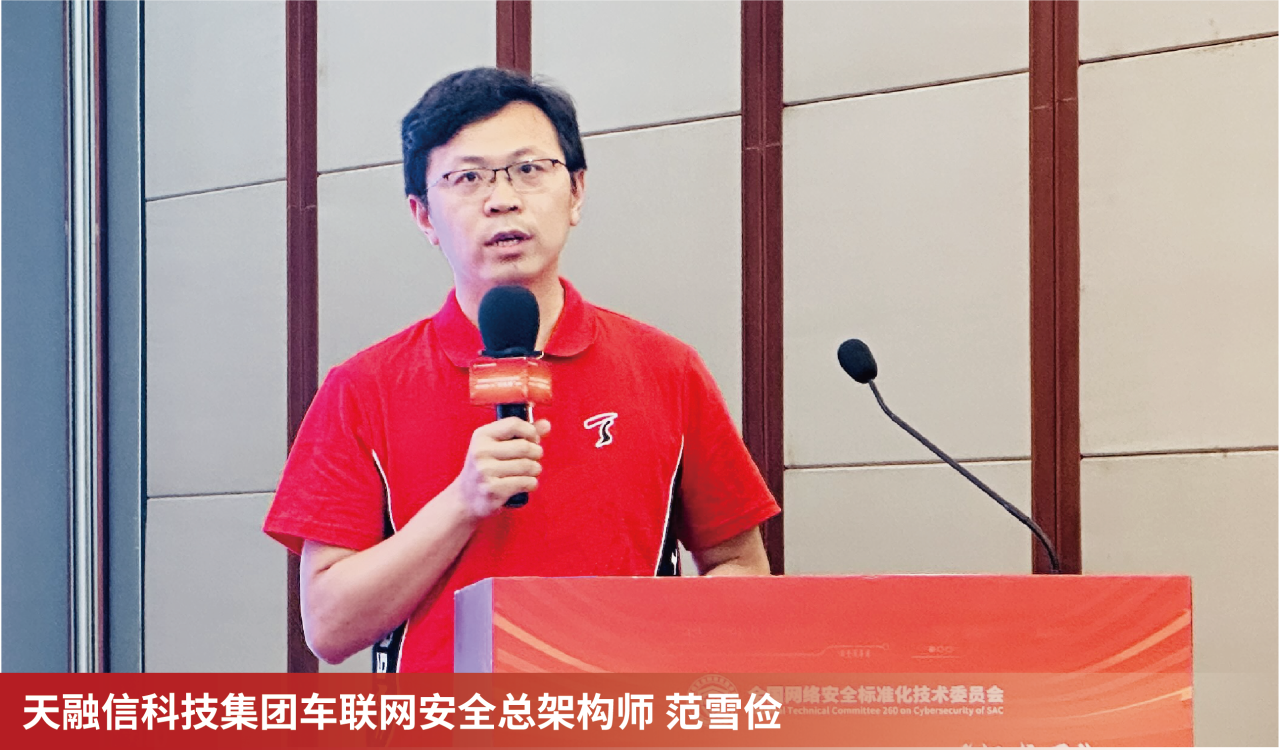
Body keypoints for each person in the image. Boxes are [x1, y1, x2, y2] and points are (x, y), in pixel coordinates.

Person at [263, 67, 779, 673]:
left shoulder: (667, 369)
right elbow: (328, 627)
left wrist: (657, 640)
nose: (503, 198)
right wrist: (462, 502)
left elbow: (741, 564)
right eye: (468, 177)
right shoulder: (362, 388)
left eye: (529, 169)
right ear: (423, 215)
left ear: (576, 192)